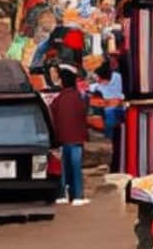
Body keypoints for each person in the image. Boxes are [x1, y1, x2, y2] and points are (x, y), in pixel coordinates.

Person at [49, 68, 92, 205]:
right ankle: (78, 196)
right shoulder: (79, 98)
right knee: (76, 168)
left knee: (64, 169)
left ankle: (63, 194)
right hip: (76, 139)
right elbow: (83, 117)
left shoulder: (58, 99)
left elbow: (52, 115)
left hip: (62, 140)